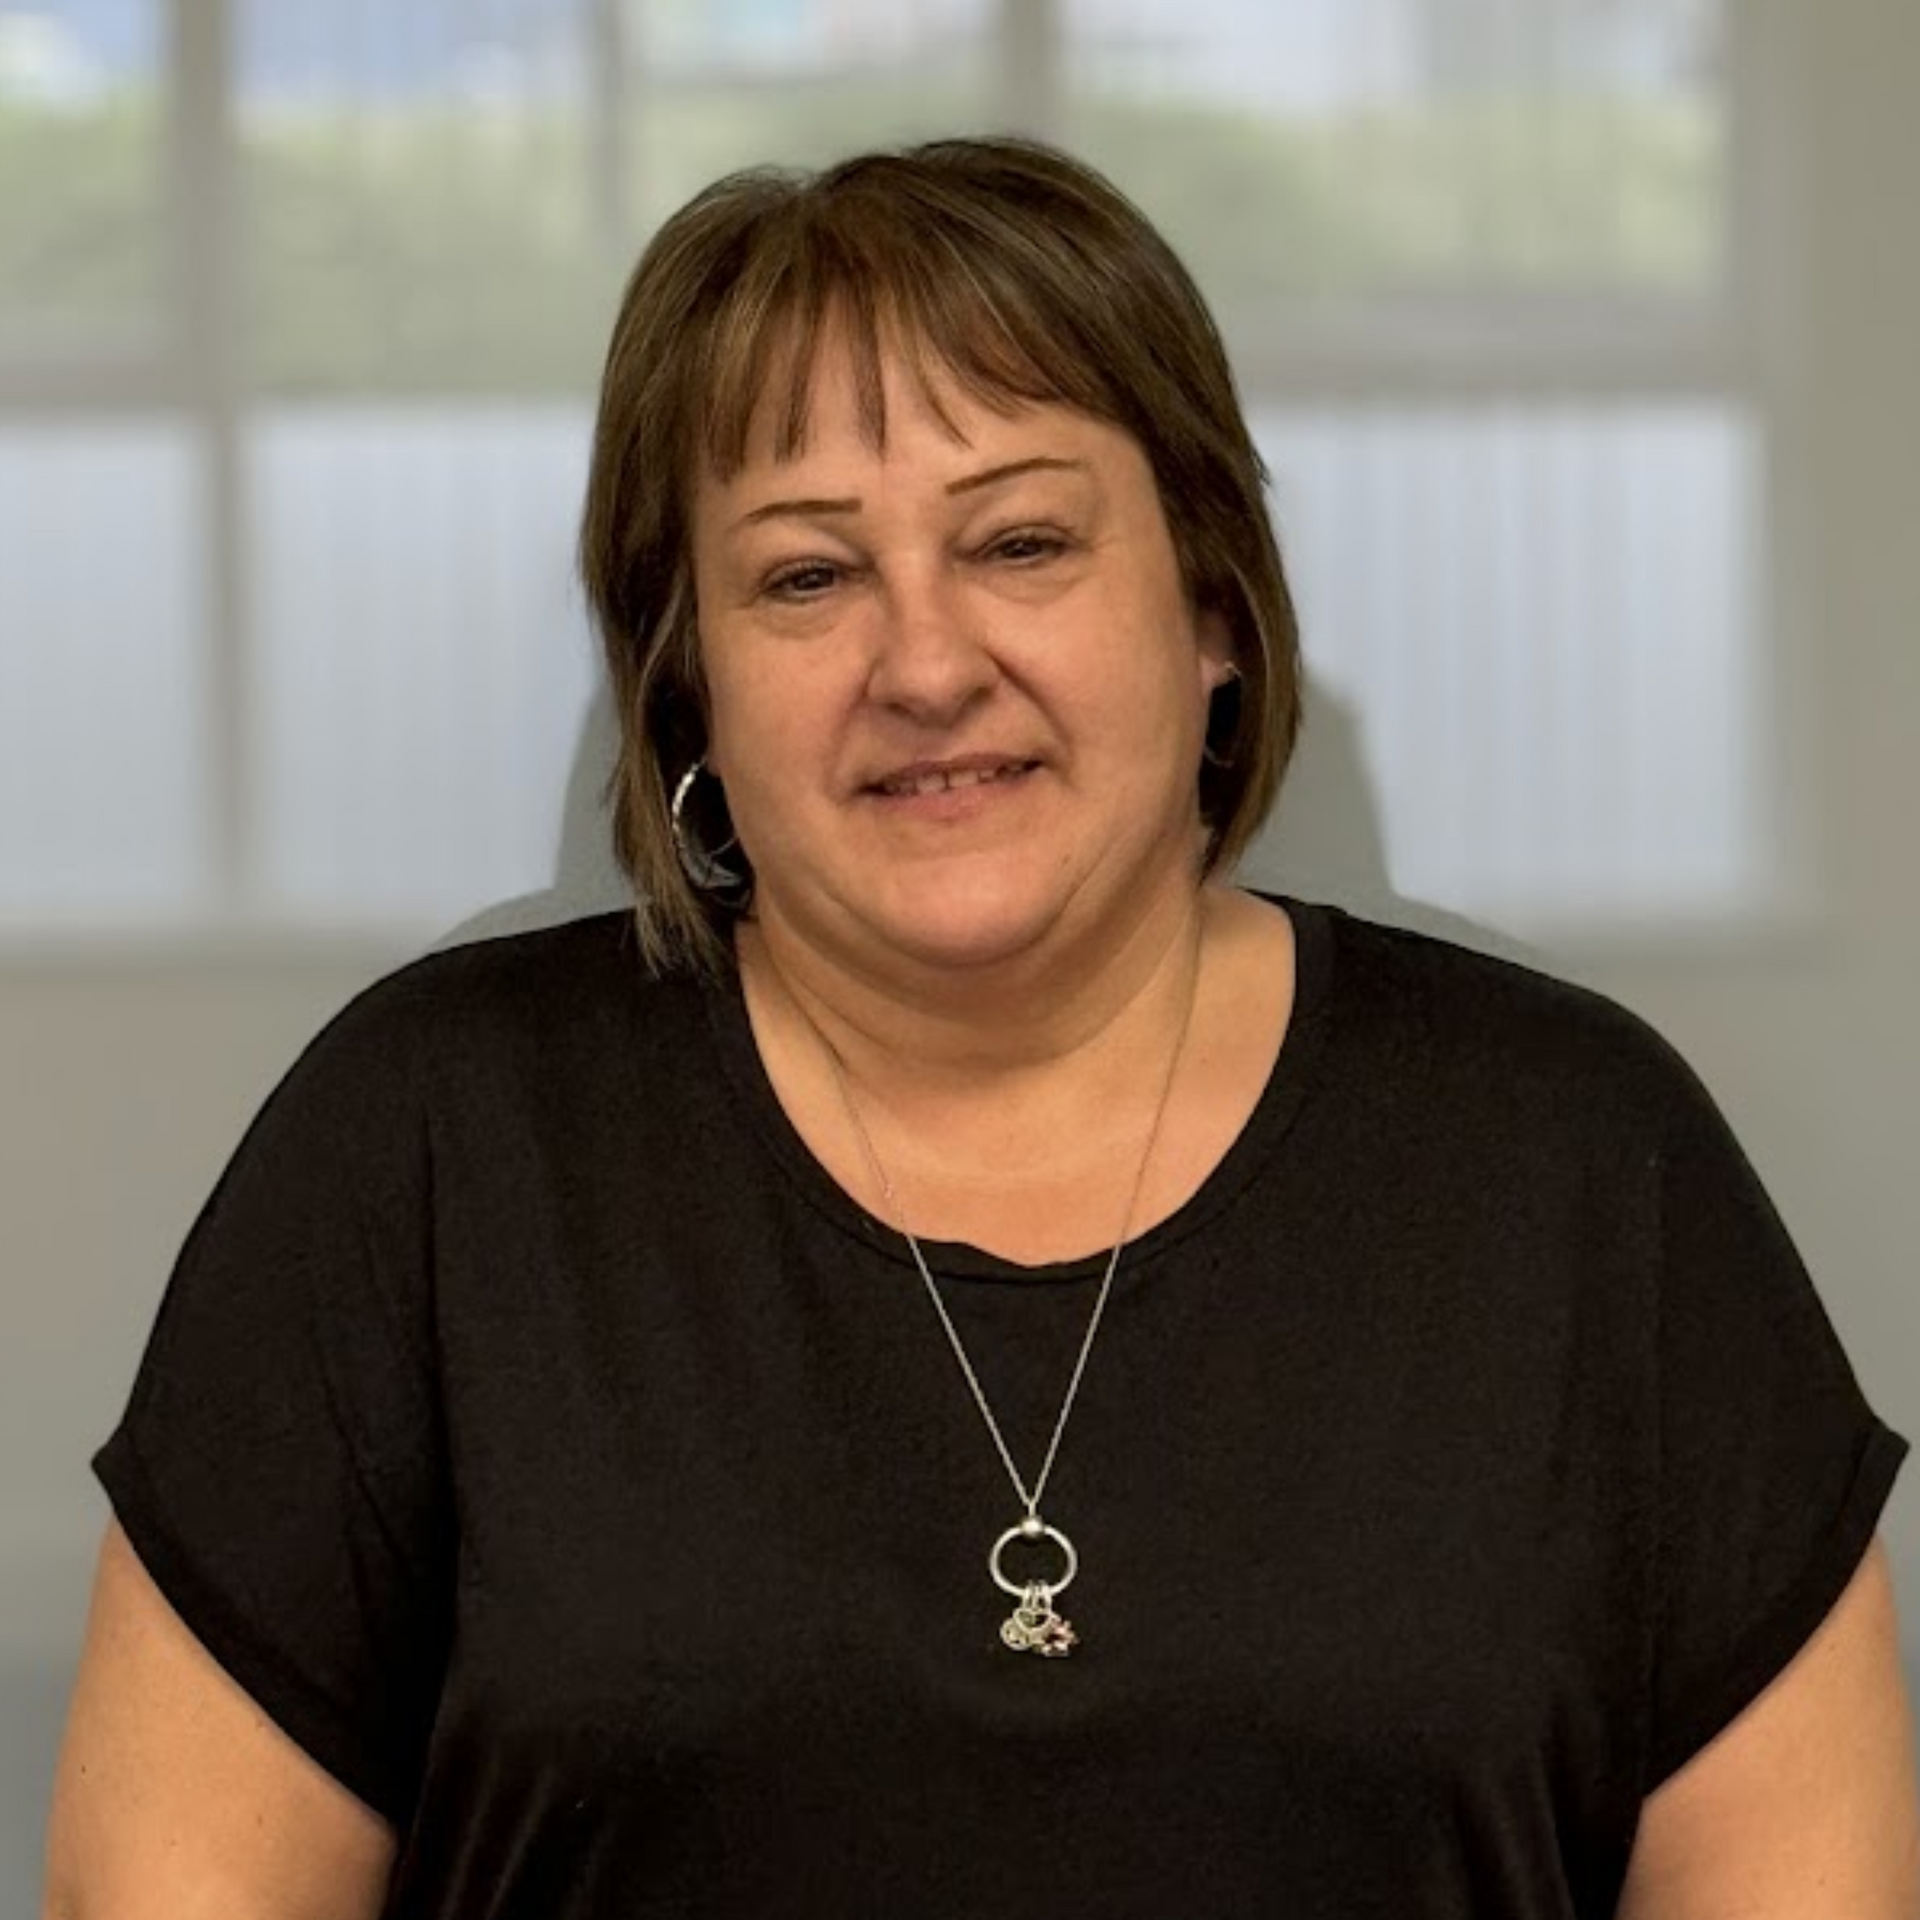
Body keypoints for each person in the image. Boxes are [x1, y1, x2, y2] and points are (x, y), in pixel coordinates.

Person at [42, 137, 1920, 1919]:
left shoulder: (1584, 1159)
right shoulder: (428, 1149)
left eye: (1021, 542)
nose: (926, 664)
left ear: (1211, 609)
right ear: (683, 678)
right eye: (804, 573)